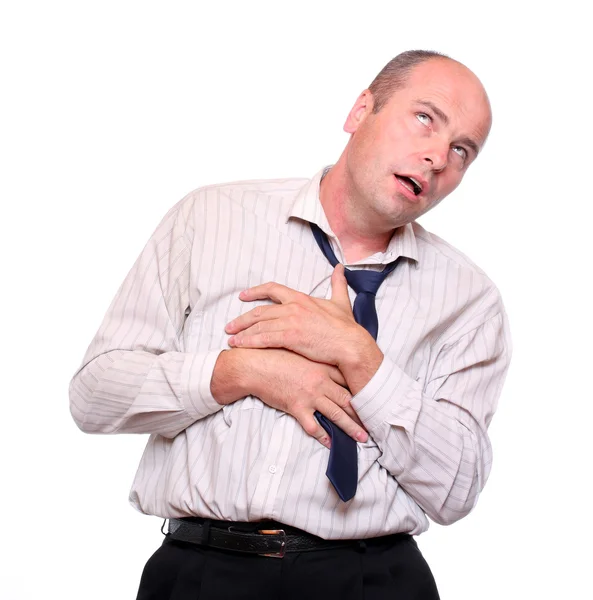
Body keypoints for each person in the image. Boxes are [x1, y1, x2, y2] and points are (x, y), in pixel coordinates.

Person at [70, 49, 512, 599]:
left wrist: (360, 357)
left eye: (462, 150)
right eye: (425, 118)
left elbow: (456, 490)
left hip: (373, 581)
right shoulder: (209, 219)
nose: (438, 156)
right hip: (200, 574)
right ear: (361, 110)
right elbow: (94, 396)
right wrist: (242, 373)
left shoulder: (470, 302)